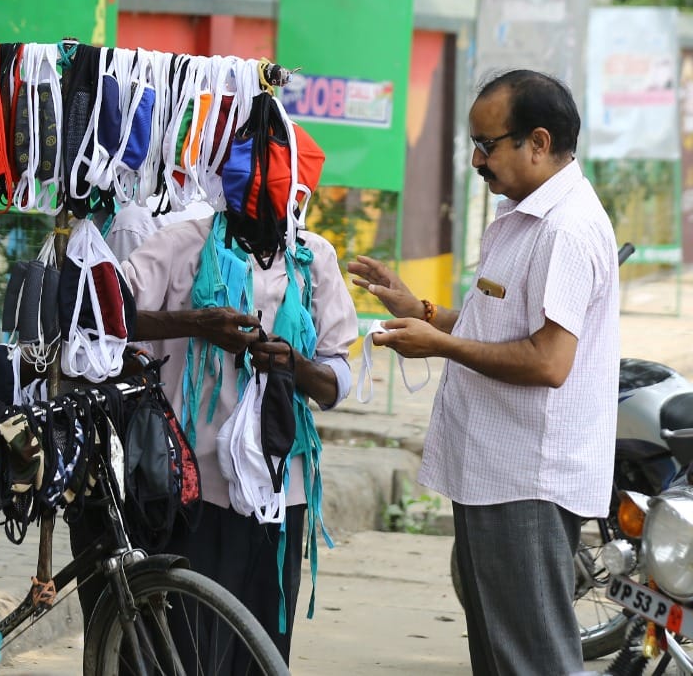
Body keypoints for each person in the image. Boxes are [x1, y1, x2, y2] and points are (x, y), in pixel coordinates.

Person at [350, 69, 619, 676]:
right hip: (494, 468)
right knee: (499, 654)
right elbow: (493, 327)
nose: (476, 159)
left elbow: (548, 360)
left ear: (539, 142)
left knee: (530, 659)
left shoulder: (565, 228)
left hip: (528, 476)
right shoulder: (524, 215)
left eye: (487, 144)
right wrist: (419, 310)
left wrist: (440, 347)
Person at [119, 206, 358, 665]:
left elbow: (337, 380)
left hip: (280, 498)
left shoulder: (314, 259)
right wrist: (194, 322)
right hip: (194, 496)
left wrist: (295, 367)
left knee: (261, 650)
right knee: (190, 651)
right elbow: (107, 314)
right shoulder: (181, 244)